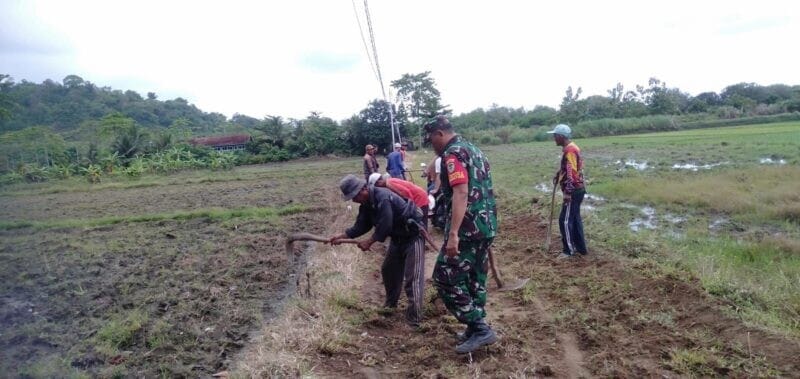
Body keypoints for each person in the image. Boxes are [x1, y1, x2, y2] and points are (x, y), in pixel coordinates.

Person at [423, 115, 499, 353]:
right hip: (486, 225)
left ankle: (479, 328)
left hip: (467, 229)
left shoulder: (452, 154)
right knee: (475, 277)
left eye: (431, 139)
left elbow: (461, 192)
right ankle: (475, 327)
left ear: (439, 134)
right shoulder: (474, 149)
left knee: (444, 278)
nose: (431, 145)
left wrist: (453, 233)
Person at [329, 174, 426, 326]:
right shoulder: (366, 205)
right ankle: (390, 305)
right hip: (397, 238)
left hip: (413, 236)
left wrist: (369, 242)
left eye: (355, 196)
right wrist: (341, 236)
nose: (354, 200)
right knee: (388, 270)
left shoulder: (383, 197)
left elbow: (385, 225)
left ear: (364, 189)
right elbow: (361, 226)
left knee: (413, 278)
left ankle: (415, 318)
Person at [547, 124, 588, 258]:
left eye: (554, 136)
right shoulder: (572, 147)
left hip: (574, 191)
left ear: (560, 136)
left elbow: (572, 173)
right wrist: (559, 173)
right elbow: (570, 167)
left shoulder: (569, 150)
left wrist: (568, 192)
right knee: (575, 218)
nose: (553, 138)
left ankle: (568, 250)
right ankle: (581, 248)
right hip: (579, 189)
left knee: (564, 220)